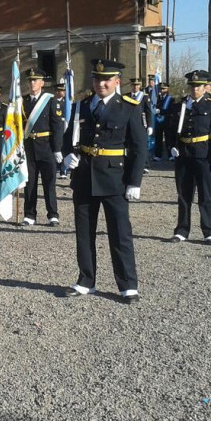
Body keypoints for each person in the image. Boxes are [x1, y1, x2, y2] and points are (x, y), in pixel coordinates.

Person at [62, 59, 148, 304]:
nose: (101, 83)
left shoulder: (129, 107)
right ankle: (86, 280)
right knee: (84, 234)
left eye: (106, 79)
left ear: (116, 82)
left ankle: (127, 285)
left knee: (120, 234)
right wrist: (68, 154)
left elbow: (139, 148)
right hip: (84, 177)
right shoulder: (82, 106)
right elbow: (68, 137)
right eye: (97, 79)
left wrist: (134, 182)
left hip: (115, 179)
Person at [166, 70, 211, 244]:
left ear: (205, 87)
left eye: (198, 86)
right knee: (184, 194)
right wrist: (171, 147)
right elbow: (170, 128)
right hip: (184, 153)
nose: (194, 89)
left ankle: (209, 231)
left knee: (205, 195)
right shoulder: (181, 105)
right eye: (192, 86)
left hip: (203, 154)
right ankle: (182, 230)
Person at [21, 68, 63, 226]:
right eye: (30, 80)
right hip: (28, 148)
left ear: (42, 83)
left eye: (36, 80)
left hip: (46, 147)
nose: (32, 83)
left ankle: (52, 214)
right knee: (29, 183)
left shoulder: (51, 100)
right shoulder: (22, 101)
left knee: (49, 183)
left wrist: (58, 148)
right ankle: (29, 214)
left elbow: (57, 126)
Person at [128, 78, 153, 172]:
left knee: (142, 144)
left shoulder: (144, 97)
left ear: (140, 86)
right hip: (129, 123)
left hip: (141, 123)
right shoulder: (126, 96)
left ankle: (145, 164)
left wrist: (150, 125)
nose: (135, 87)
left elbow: (148, 112)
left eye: (137, 85)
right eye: (134, 85)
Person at [152, 83, 173, 161]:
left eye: (164, 89)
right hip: (158, 121)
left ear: (167, 89)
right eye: (161, 89)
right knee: (158, 138)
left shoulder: (171, 99)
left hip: (167, 121)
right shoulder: (157, 98)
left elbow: (171, 111)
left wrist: (161, 111)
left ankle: (170, 155)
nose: (162, 90)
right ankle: (158, 155)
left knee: (168, 139)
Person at [53, 83, 68, 178]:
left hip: (64, 126)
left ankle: (63, 170)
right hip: (55, 127)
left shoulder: (67, 103)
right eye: (59, 91)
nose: (61, 92)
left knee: (63, 148)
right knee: (55, 147)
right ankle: (54, 169)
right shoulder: (52, 102)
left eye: (63, 91)